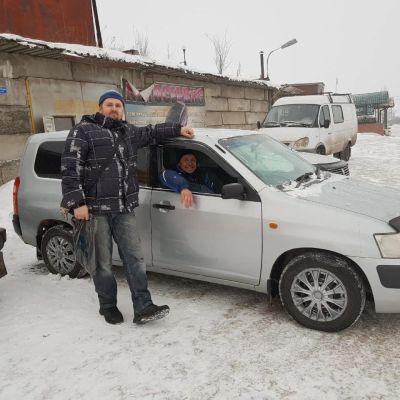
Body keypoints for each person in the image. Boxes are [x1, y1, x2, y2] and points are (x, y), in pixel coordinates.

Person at [60, 90, 194, 325]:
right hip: (94, 210)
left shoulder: (127, 132)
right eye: (109, 104)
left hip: (123, 208)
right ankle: (107, 305)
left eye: (118, 105)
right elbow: (70, 168)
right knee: (102, 262)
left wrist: (177, 129)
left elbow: (151, 132)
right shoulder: (83, 131)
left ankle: (143, 306)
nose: (114, 109)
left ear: (123, 110)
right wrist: (77, 203)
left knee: (135, 258)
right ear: (100, 107)